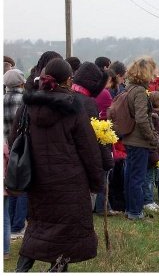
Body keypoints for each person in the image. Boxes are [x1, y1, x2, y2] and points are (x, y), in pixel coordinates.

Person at [9, 58, 103, 271]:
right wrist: (97, 182)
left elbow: (15, 139)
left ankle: (20, 270)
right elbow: (88, 149)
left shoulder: (27, 106)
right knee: (64, 239)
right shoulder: (73, 107)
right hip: (70, 183)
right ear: (69, 80)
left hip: (37, 179)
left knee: (37, 228)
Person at [71, 62, 115, 216]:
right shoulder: (88, 103)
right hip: (83, 158)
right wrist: (107, 160)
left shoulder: (68, 96)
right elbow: (93, 135)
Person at [122, 57, 159, 220]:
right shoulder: (139, 92)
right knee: (138, 177)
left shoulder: (129, 88)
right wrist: (151, 137)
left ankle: (130, 209)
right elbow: (142, 118)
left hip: (130, 139)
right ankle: (136, 212)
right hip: (138, 141)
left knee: (130, 176)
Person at [3, 69, 28, 240]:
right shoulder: (24, 101)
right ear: (21, 82)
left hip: (6, 146)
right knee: (24, 185)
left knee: (10, 185)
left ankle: (11, 222)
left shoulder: (2, 99)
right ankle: (19, 225)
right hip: (23, 146)